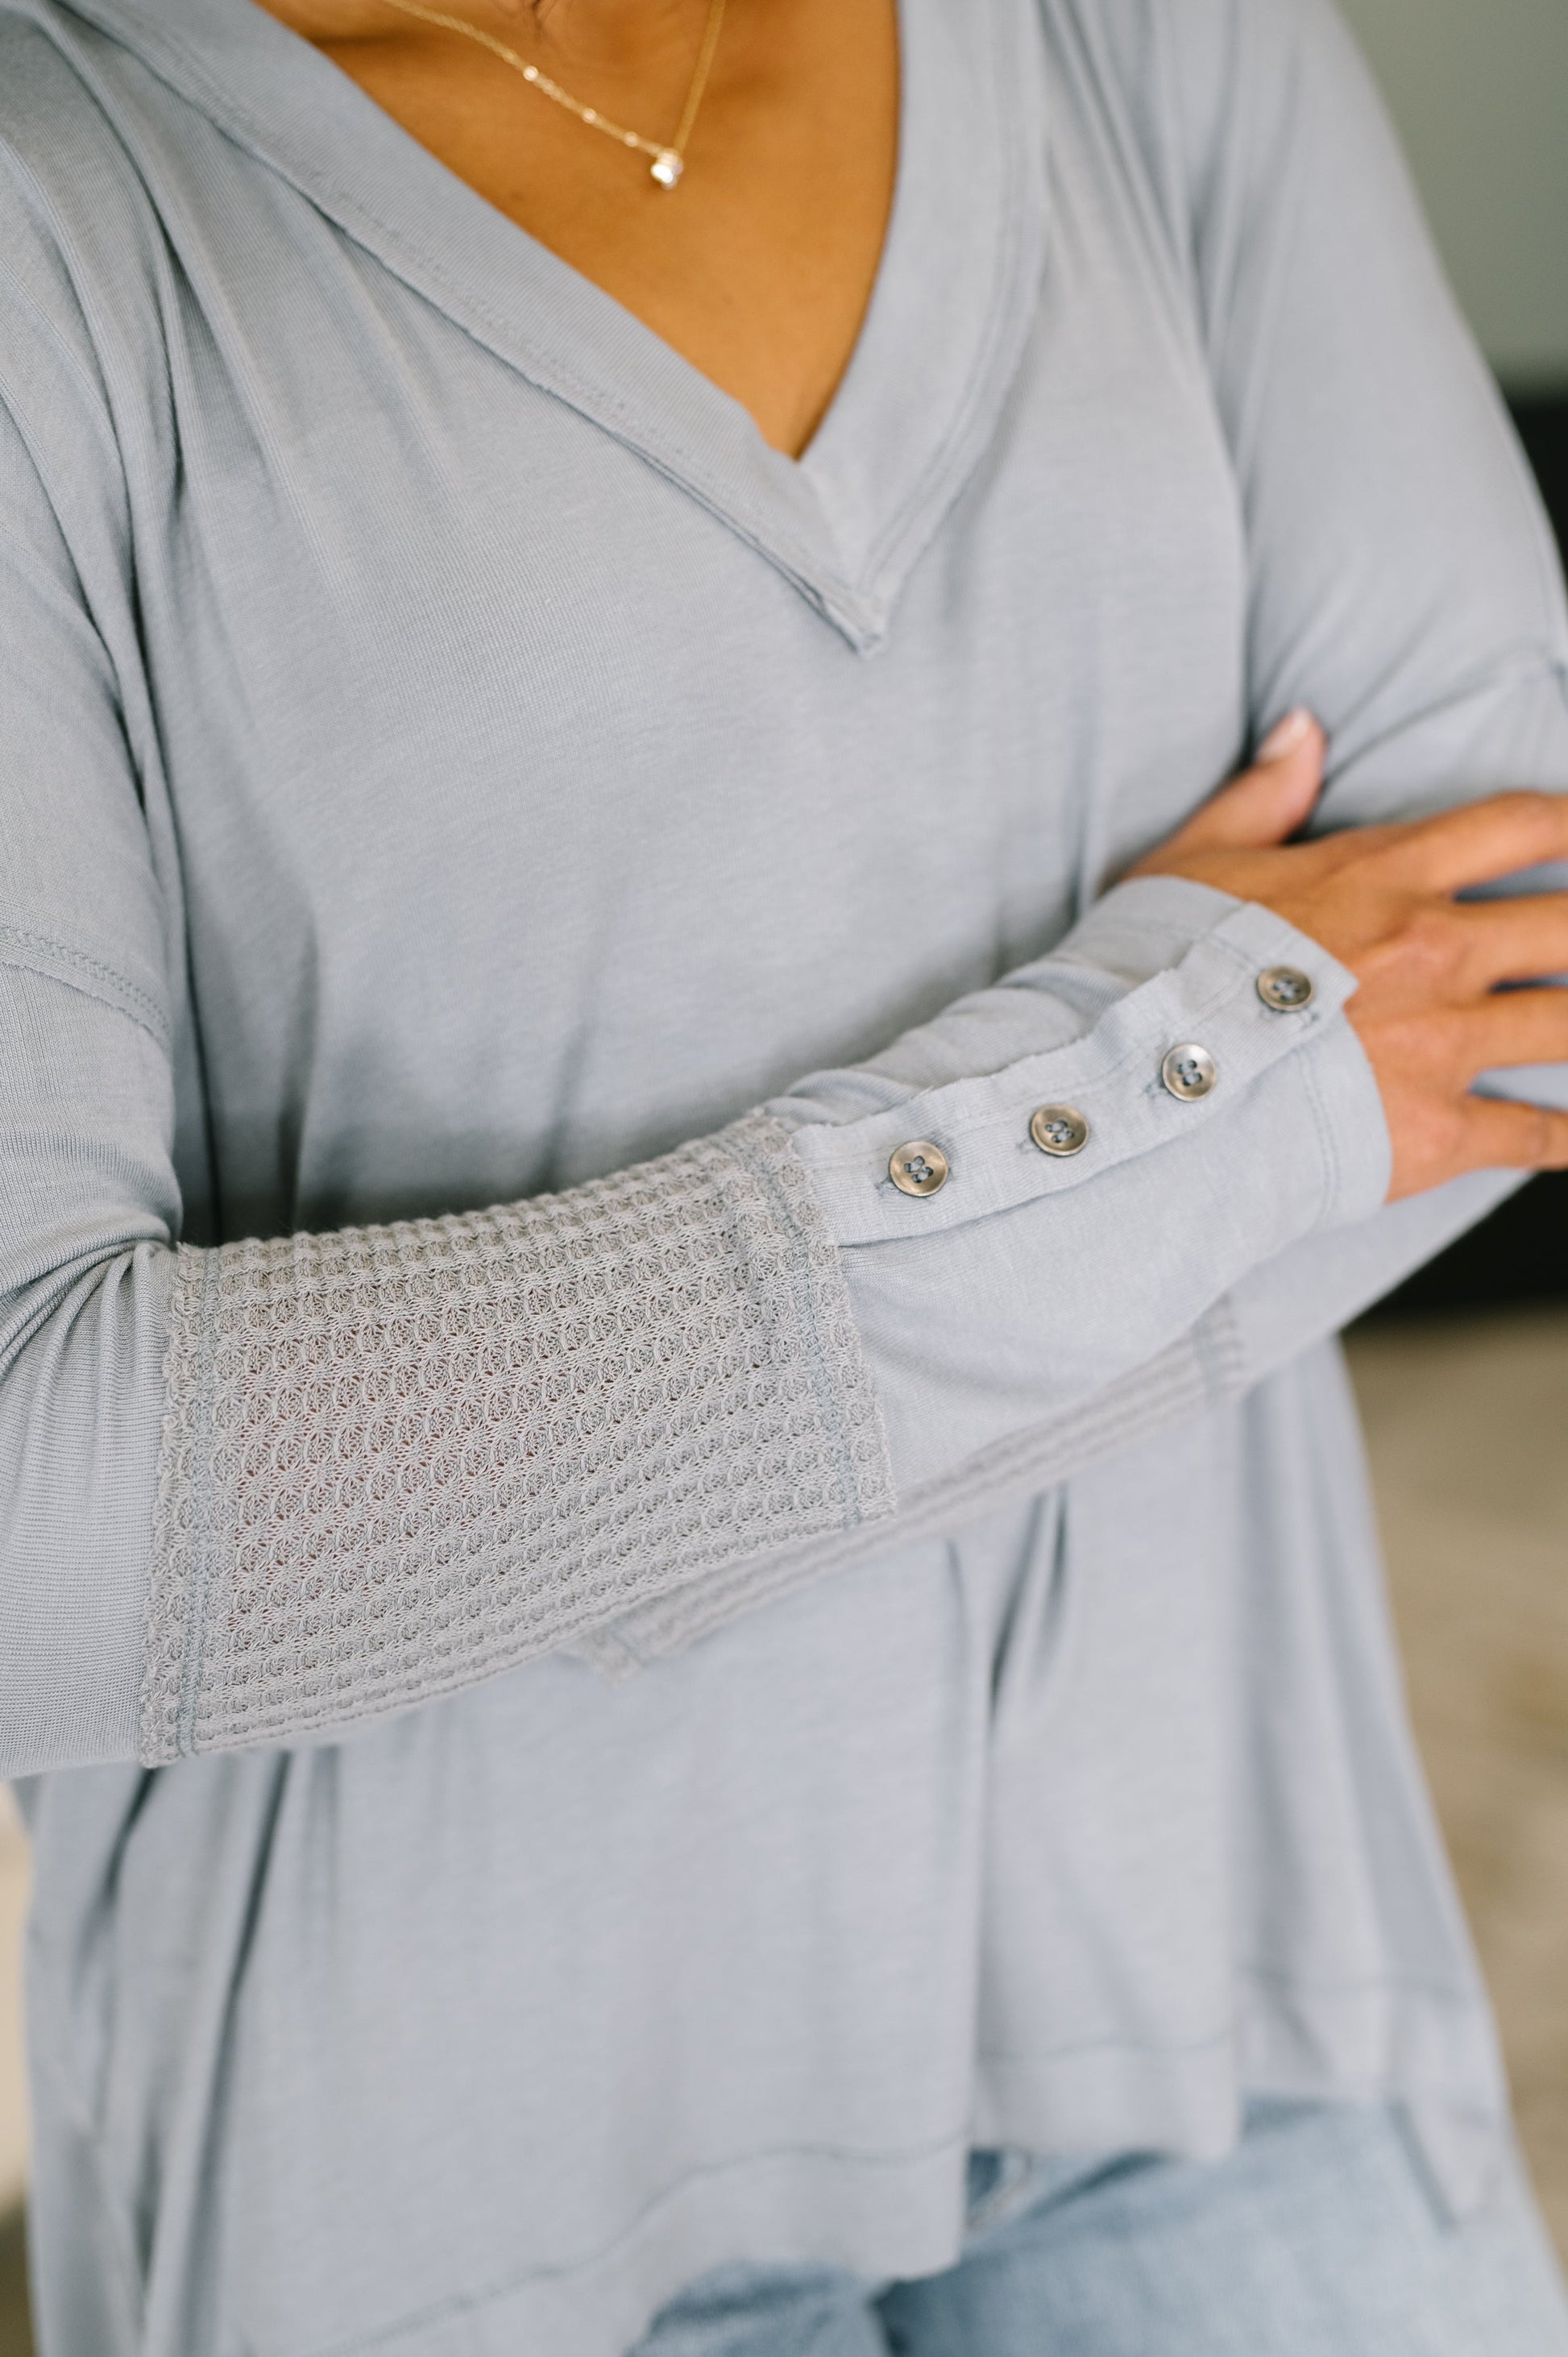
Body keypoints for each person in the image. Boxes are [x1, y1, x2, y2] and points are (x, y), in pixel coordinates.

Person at [3, 0, 1568, 2348]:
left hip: (1214, 1985)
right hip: (446, 2156)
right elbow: (49, 1521)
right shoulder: (60, 202)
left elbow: (1510, 990)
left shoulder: (1150, 31)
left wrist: (462, 1475)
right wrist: (1219, 1088)